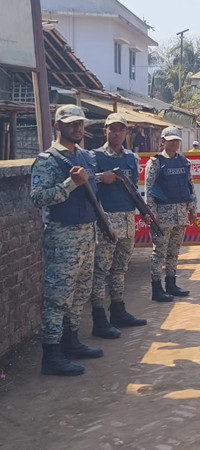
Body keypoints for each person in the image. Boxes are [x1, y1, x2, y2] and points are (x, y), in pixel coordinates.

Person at [31, 105, 104, 376]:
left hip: (87, 233)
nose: (78, 128)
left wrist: (104, 224)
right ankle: (51, 354)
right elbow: (38, 197)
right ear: (58, 126)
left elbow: (93, 193)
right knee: (58, 297)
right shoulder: (47, 160)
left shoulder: (85, 156)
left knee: (81, 292)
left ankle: (71, 342)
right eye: (71, 124)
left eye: (80, 124)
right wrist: (69, 184)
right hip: (62, 236)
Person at [89, 113, 148, 341]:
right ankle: (99, 318)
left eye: (120, 129)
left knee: (120, 268)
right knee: (101, 270)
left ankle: (118, 309)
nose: (116, 133)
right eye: (112, 129)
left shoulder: (132, 158)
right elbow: (85, 181)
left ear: (126, 132)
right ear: (105, 131)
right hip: (106, 220)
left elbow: (134, 188)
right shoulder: (95, 156)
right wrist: (100, 177)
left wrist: (143, 212)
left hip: (127, 218)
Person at [145, 127, 197, 302]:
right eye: (171, 140)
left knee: (174, 252)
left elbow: (190, 187)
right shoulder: (155, 163)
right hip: (162, 216)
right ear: (163, 141)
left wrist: (193, 210)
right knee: (159, 253)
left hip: (180, 214)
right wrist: (152, 213)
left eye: (177, 141)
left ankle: (171, 284)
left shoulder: (184, 162)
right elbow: (149, 191)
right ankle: (157, 288)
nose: (174, 144)